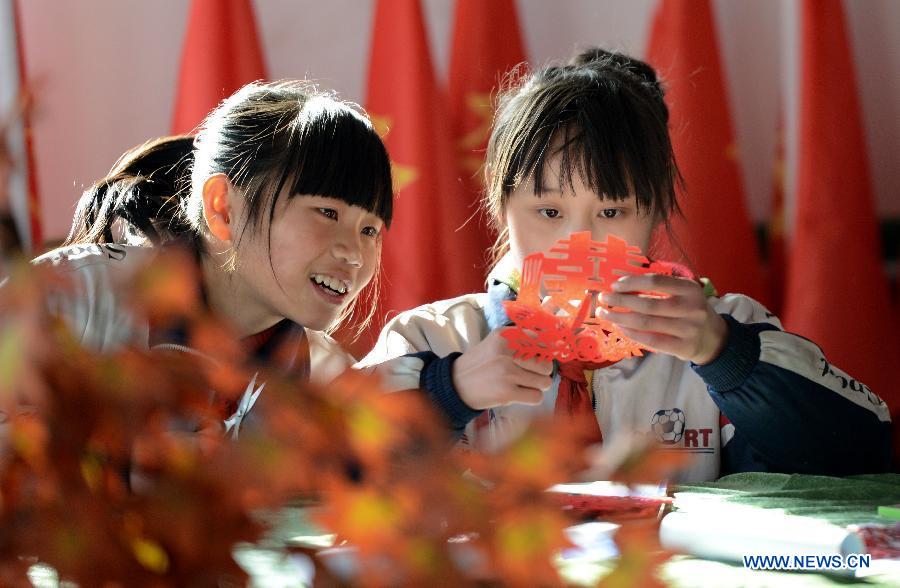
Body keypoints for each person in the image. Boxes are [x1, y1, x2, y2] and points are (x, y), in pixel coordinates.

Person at [358, 49, 891, 480]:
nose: (580, 239)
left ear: (656, 211)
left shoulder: (727, 329)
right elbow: (320, 465)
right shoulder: (432, 338)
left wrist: (727, 356)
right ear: (500, 208)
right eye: (548, 211)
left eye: (612, 210)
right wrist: (448, 390)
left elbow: (864, 452)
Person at [27, 80, 393, 434]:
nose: (355, 254)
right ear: (224, 209)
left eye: (370, 230)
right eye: (327, 213)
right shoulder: (74, 299)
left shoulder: (328, 378)